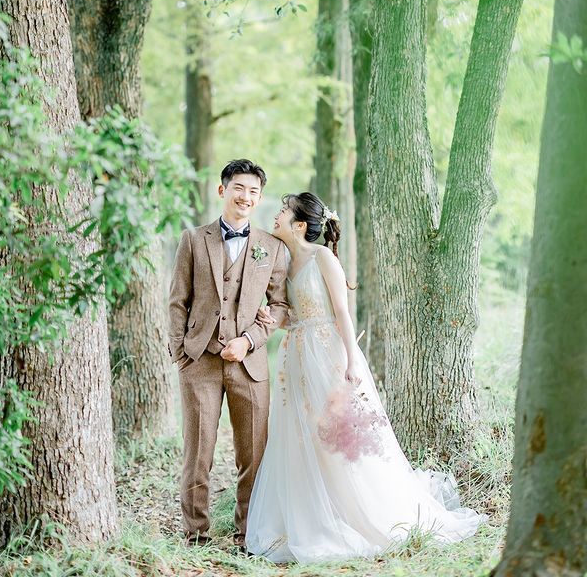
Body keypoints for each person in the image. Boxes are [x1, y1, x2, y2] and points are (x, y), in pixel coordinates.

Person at [246, 192, 487, 564]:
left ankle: (358, 512)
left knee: (338, 438)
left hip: (327, 355)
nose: (275, 216)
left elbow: (342, 312)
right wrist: (273, 322)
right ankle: (310, 514)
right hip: (295, 358)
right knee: (301, 435)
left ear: (298, 225)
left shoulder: (322, 258)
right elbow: (294, 317)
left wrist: (351, 362)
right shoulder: (283, 261)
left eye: (282, 211)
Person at [168, 159, 289, 551]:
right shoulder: (192, 239)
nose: (246, 197)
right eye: (239, 188)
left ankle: (247, 533)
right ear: (223, 191)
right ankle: (195, 533)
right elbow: (177, 301)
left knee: (252, 455)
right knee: (198, 451)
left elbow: (280, 306)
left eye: (254, 191)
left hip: (250, 367)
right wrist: (180, 353)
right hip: (198, 362)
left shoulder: (272, 248)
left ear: (260, 198)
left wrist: (250, 340)